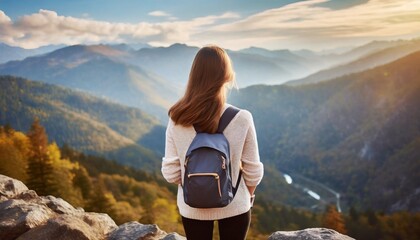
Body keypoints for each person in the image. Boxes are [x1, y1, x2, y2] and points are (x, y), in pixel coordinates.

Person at [161, 45, 264, 240]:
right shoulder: (242, 118)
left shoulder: (177, 119)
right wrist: (247, 196)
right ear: (227, 76)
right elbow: (253, 172)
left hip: (192, 209)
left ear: (194, 75)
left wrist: (198, 187)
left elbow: (171, 172)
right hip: (236, 206)